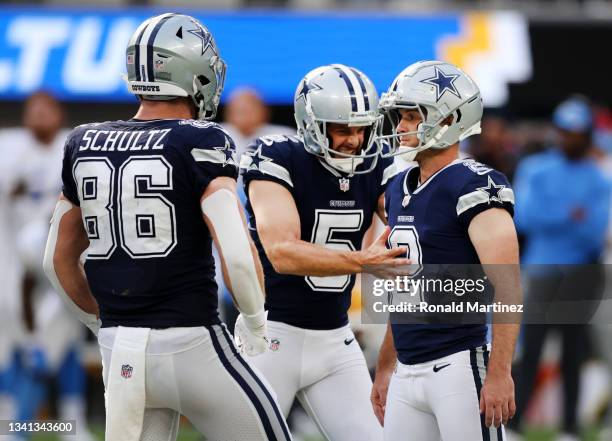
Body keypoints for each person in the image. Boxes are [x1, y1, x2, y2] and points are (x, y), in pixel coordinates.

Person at [43, 13, 291, 441]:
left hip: (120, 349)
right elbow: (235, 249)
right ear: (189, 71)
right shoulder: (201, 139)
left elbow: (56, 260)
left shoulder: (82, 141)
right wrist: (254, 323)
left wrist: (102, 325)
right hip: (192, 342)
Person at [240, 64, 403, 441]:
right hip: (269, 336)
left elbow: (405, 230)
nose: (355, 140)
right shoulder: (277, 157)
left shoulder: (375, 164)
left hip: (335, 339)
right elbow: (283, 252)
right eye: (343, 129)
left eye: (362, 128)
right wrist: (363, 261)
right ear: (311, 123)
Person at [371, 60, 520, 441]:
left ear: (450, 118)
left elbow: (507, 287)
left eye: (410, 117)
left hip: (459, 364)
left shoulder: (475, 185)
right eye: (399, 117)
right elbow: (402, 289)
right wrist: (386, 364)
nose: (401, 127)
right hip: (407, 369)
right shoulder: (398, 185)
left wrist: (500, 372)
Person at [508, 97, 610, 441]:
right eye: (565, 131)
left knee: (573, 349)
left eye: (576, 133)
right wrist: (570, 213)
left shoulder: (598, 177)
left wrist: (556, 215)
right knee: (529, 348)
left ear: (587, 135)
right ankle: (516, 424)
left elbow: (594, 228)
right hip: (541, 269)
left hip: (581, 271)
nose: (570, 138)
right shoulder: (535, 168)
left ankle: (569, 427)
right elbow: (525, 216)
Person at [8, 91, 93, 441]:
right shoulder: (13, 154)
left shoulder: (75, 146)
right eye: (33, 110)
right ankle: (60, 426)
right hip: (23, 269)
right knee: (33, 344)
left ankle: (32, 427)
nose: (40, 116)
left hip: (69, 261)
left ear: (59, 114)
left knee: (52, 344)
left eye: (47, 109)